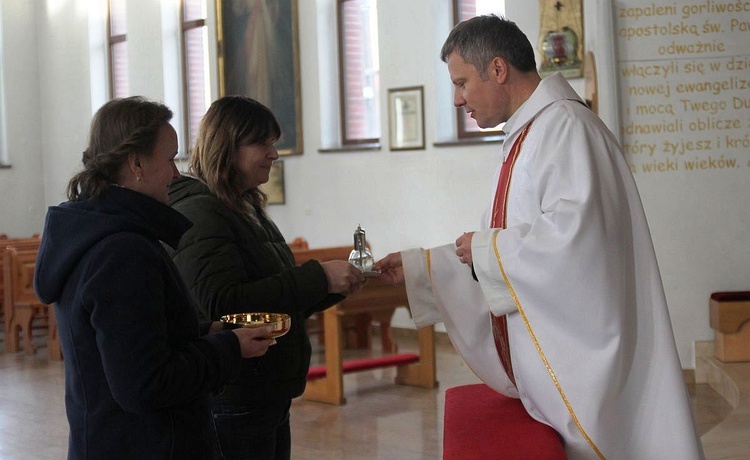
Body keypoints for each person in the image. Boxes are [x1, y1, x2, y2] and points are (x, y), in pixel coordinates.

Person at [374, 15, 705, 460]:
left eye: (461, 82)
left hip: (588, 366)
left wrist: (487, 250)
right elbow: (526, 243)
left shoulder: (566, 129)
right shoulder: (530, 134)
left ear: (497, 69)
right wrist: (423, 267)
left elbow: (575, 247)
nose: (457, 99)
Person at [33, 96, 276, 460]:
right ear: (136, 164)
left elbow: (128, 344)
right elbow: (145, 385)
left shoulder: (98, 232)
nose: (177, 174)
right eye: (170, 159)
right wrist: (229, 348)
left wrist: (200, 333)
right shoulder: (121, 251)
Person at [167, 95, 364, 460]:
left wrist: (337, 283)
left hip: (264, 386)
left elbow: (276, 296)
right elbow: (224, 303)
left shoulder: (242, 205)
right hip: (236, 390)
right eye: (263, 143)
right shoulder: (202, 212)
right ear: (227, 147)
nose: (274, 154)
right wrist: (317, 277)